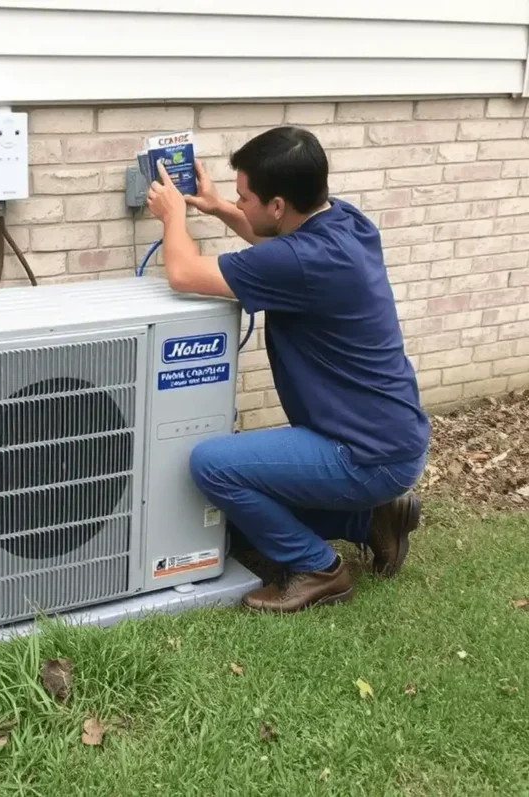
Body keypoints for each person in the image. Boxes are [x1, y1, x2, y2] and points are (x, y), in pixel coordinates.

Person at [145, 126, 430, 613]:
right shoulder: (344, 222)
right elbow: (272, 238)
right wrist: (218, 207)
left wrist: (174, 217)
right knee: (233, 521)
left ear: (278, 205)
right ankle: (374, 521)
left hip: (363, 453)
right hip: (390, 438)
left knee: (212, 467)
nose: (241, 204)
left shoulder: (302, 261)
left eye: (245, 197)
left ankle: (318, 569)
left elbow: (184, 273)